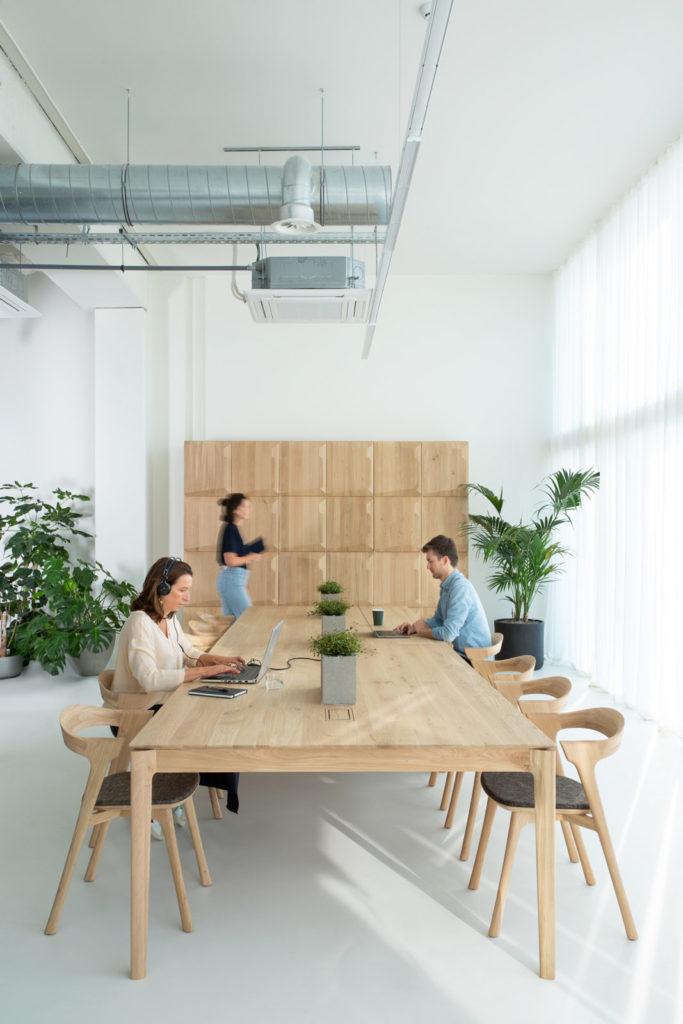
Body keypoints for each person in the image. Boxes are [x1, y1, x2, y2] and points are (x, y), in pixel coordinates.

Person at [113, 556, 246, 825]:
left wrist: (220, 660)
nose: (187, 598)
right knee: (202, 725)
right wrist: (204, 672)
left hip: (163, 704)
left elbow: (188, 652)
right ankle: (169, 793)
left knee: (216, 717)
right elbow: (150, 679)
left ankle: (182, 785)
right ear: (161, 589)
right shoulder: (140, 623)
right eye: (182, 590)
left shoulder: (169, 618)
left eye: (189, 590)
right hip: (138, 714)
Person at [396, 535, 490, 658]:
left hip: (473, 660)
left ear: (445, 560)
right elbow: (438, 620)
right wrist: (413, 628)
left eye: (431, 561)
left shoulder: (460, 588)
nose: (427, 567)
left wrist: (422, 632)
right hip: (461, 653)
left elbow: (448, 634)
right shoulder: (448, 586)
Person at [216, 493, 264, 619]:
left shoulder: (233, 529)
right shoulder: (231, 530)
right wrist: (251, 557)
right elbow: (230, 560)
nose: (249, 510)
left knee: (232, 624)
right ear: (235, 509)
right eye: (245, 506)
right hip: (232, 582)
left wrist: (251, 551)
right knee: (248, 619)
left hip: (231, 580)